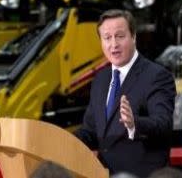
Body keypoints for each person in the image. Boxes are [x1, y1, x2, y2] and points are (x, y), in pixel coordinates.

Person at [75, 9, 176, 177]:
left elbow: (163, 123)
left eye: (120, 36)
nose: (113, 44)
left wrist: (133, 124)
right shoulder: (101, 79)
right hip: (105, 173)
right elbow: (91, 131)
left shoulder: (156, 76)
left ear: (134, 37)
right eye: (107, 38)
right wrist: (59, 138)